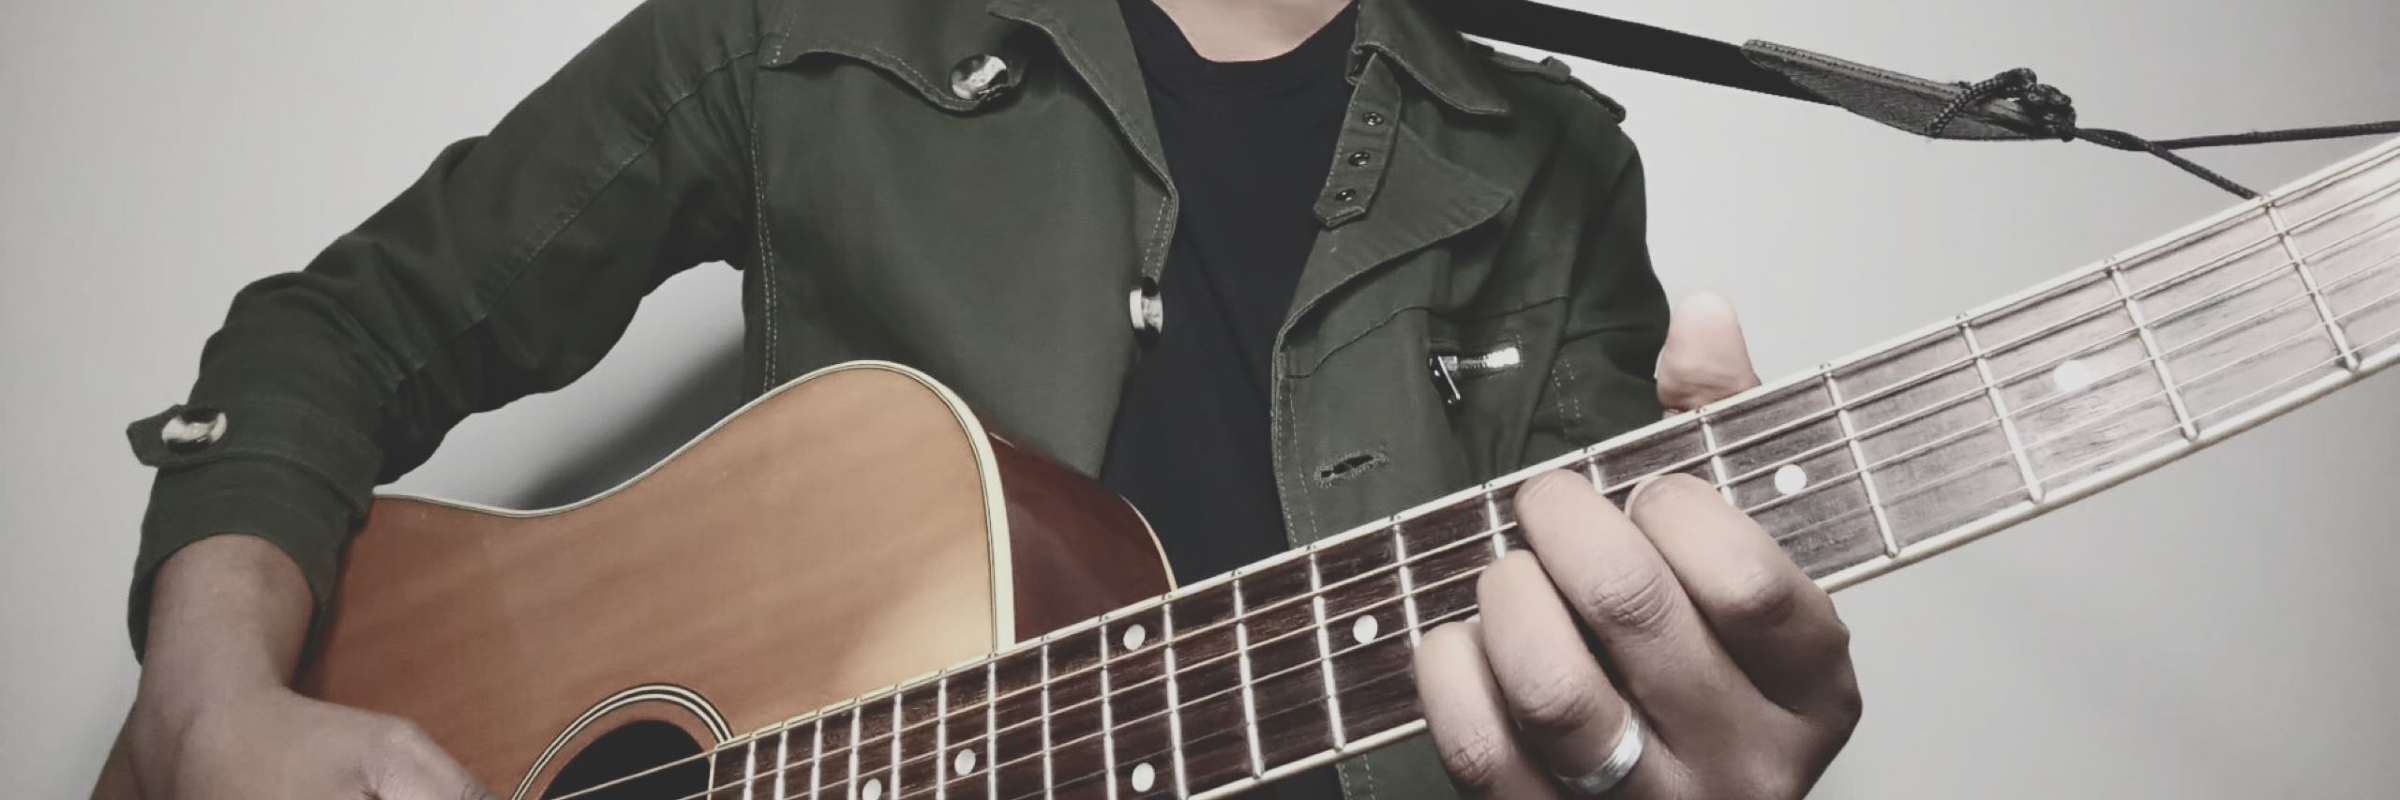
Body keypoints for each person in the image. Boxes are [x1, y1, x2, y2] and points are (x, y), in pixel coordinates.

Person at [100, 0, 1862, 798]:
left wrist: (1665, 777)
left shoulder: (1557, 166)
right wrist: (207, 700)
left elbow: (1591, 705)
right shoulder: (791, 30)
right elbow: (332, 338)